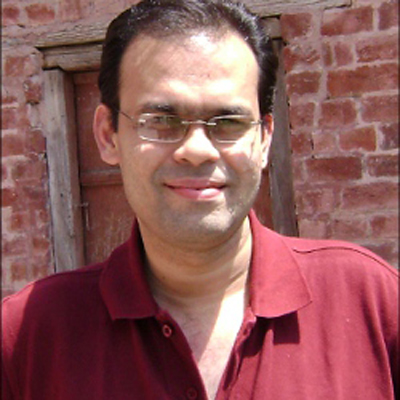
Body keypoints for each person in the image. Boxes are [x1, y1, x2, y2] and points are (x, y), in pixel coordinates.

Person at [2, 0, 398, 399]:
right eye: (162, 120)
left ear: (264, 139)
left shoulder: (369, 303)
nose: (197, 150)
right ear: (108, 135)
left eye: (228, 122)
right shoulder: (28, 337)